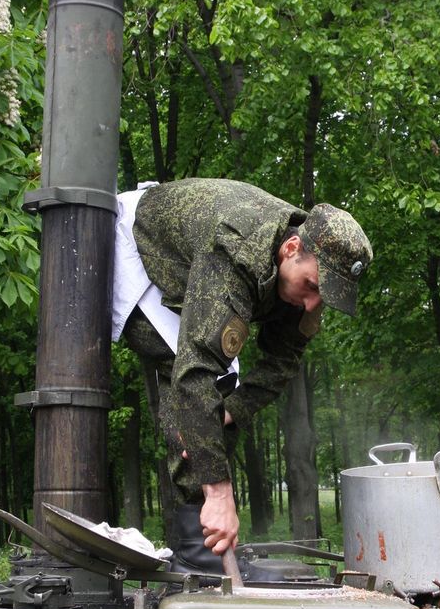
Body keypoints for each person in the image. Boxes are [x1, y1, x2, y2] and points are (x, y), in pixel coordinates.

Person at [112, 178, 372, 581]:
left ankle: (203, 547)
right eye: (312, 288)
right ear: (290, 249)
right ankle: (199, 552)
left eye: (325, 297)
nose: (312, 305)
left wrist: (234, 410)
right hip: (140, 248)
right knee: (201, 385)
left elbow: (283, 361)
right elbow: (195, 373)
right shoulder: (236, 252)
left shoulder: (301, 266)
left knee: (216, 401)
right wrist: (218, 492)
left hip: (191, 264)